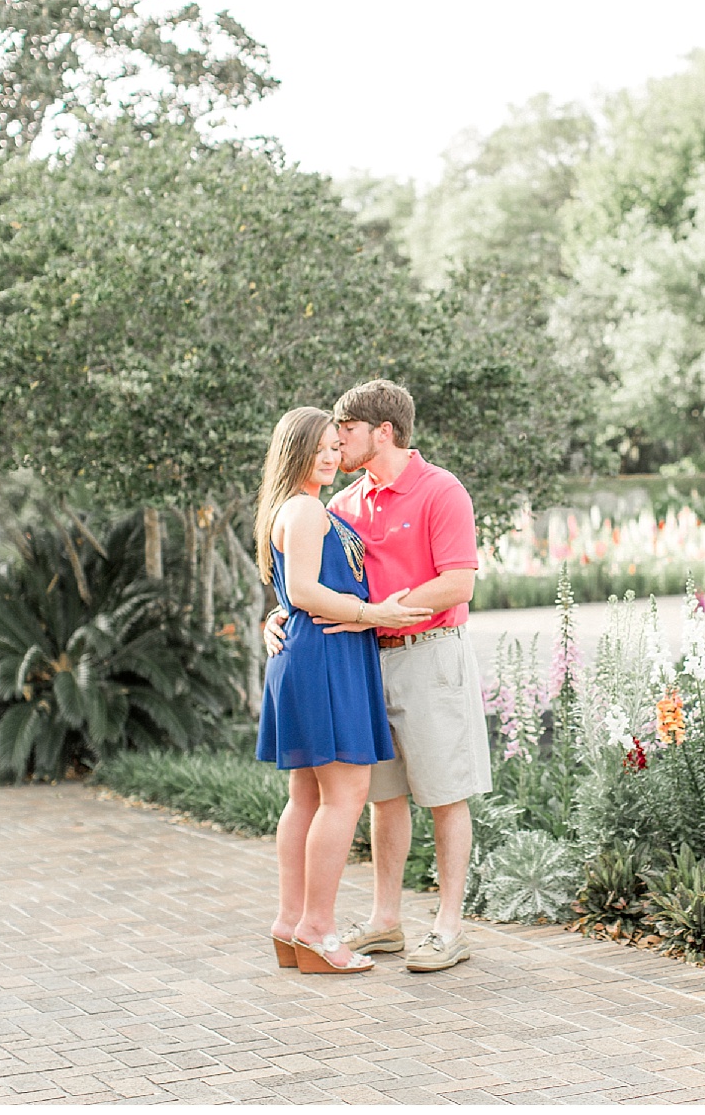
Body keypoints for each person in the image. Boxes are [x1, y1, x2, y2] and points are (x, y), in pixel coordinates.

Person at [264, 379, 491, 973]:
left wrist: (381, 611)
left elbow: (458, 583)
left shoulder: (442, 491)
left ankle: (446, 927)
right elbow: (309, 575)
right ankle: (385, 922)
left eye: (346, 430)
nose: (336, 442)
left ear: (381, 432)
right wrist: (279, 614)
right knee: (380, 797)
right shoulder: (339, 503)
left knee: (444, 793)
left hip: (427, 651)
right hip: (361, 661)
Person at [254, 406, 433, 975]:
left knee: (306, 798)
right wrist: (372, 612)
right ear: (296, 450)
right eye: (322, 447)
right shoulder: (306, 508)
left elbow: (292, 594)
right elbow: (305, 591)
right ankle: (317, 930)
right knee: (343, 797)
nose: (332, 455)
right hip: (326, 656)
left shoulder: (296, 506)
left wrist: (278, 616)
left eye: (337, 445)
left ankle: (291, 925)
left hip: (310, 654)